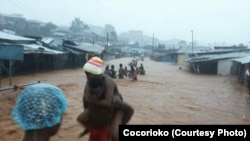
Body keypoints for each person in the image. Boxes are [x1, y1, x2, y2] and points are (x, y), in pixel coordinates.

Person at [77, 56, 134, 141]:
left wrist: (121, 124)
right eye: (86, 74)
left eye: (89, 74)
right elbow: (85, 101)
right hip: (99, 106)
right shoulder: (89, 82)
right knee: (81, 118)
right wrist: (90, 120)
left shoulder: (109, 83)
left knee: (115, 135)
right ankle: (90, 129)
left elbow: (129, 110)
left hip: (116, 109)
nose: (87, 76)